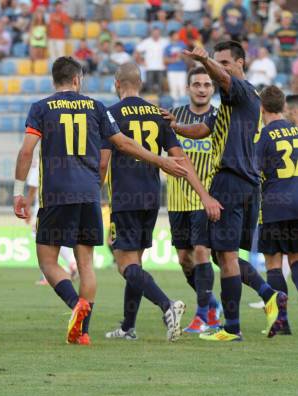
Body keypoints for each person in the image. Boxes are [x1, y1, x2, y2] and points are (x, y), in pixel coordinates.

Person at [13, 56, 192, 346]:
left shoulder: (41, 108)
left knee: (48, 261)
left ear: (54, 80)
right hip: (89, 194)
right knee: (87, 265)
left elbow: (26, 152)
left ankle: (75, 306)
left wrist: (18, 193)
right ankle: (82, 333)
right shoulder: (96, 107)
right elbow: (122, 143)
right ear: (77, 80)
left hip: (57, 194)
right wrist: (161, 160)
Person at [163, 41, 288, 341]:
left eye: (225, 62)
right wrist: (177, 127)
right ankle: (268, 294)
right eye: (217, 61)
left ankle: (233, 327)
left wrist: (205, 60)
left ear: (241, 63)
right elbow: (204, 129)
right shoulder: (230, 106)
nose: (220, 68)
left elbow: (224, 78)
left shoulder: (242, 91)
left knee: (224, 255)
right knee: (222, 254)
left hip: (231, 181)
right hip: (244, 184)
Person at [102, 62, 221, 342]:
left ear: (117, 84)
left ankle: (167, 305)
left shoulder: (110, 114)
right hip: (152, 196)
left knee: (124, 263)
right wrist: (204, 194)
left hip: (125, 196)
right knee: (136, 262)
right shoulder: (158, 114)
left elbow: (103, 161)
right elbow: (181, 159)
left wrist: (94, 193)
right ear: (140, 84)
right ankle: (128, 327)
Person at [165, 66, 222, 333]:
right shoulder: (173, 116)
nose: (201, 89)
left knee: (201, 251)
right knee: (184, 259)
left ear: (213, 89)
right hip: (177, 197)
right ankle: (210, 302)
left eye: (206, 85)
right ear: (188, 88)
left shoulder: (220, 117)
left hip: (205, 196)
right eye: (197, 84)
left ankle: (203, 315)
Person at [255, 85, 296, 335]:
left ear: (261, 108)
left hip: (274, 206)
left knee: (273, 262)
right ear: (283, 107)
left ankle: (282, 321)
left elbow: (254, 171)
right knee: (296, 259)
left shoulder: (264, 137)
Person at [24, 155, 78, 285]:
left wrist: (27, 206)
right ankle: (71, 263)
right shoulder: (66, 157)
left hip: (43, 206)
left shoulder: (41, 158)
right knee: (55, 236)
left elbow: (32, 188)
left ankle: (49, 274)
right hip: (64, 203)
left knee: (41, 238)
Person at [135, 27, 168, 94]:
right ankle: (150, 103)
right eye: (154, 33)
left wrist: (167, 62)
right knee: (149, 88)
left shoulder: (165, 42)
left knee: (160, 88)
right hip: (149, 67)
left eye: (157, 33)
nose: (156, 34)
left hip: (161, 67)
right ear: (151, 33)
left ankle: (160, 104)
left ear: (160, 33)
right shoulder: (147, 41)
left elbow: (169, 52)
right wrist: (140, 61)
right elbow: (137, 50)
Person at [164, 30, 188, 100]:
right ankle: (174, 107)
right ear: (171, 37)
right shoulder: (168, 47)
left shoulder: (182, 45)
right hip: (171, 70)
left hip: (182, 69)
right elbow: (165, 60)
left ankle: (183, 105)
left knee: (182, 89)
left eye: (177, 35)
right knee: (173, 89)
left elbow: (187, 57)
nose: (177, 36)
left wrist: (182, 56)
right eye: (175, 35)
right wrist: (175, 59)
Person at [273, 10, 298, 76]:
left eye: (288, 18)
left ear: (291, 20)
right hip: (281, 55)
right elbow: (275, 43)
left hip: (292, 55)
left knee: (292, 74)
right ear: (281, 20)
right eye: (285, 18)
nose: (286, 20)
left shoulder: (295, 30)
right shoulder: (277, 31)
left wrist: (295, 47)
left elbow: (296, 45)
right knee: (281, 73)